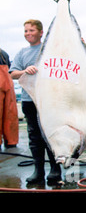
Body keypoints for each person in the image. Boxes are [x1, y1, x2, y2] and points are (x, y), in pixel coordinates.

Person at [10, 19, 61, 184]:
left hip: (49, 100)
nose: (28, 34)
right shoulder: (22, 52)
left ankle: (55, 170)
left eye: (31, 30)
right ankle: (38, 171)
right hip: (28, 100)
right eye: (26, 31)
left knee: (51, 134)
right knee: (34, 137)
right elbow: (12, 74)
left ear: (41, 32)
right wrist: (25, 71)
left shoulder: (51, 49)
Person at [0, 48, 19, 149]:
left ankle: (11, 141)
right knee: (10, 113)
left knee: (10, 113)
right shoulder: (4, 54)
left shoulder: (3, 54)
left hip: (7, 84)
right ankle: (11, 142)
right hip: (7, 83)